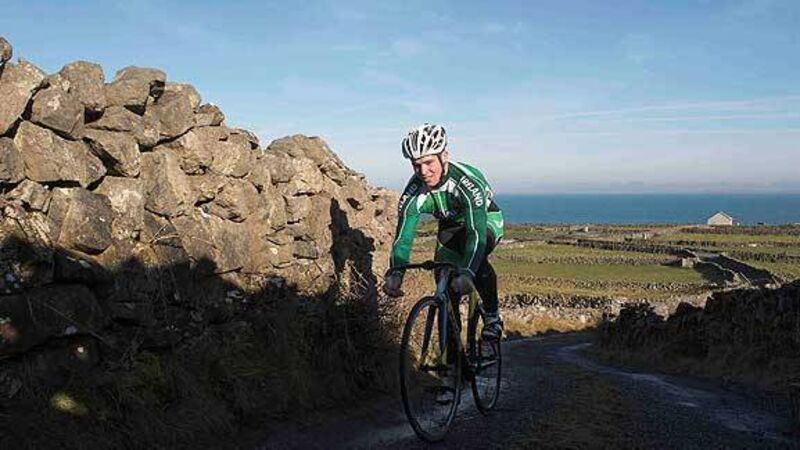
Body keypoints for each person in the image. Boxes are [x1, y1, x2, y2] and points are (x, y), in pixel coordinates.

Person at [382, 123, 505, 340]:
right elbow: (404, 237)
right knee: (444, 283)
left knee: (476, 258)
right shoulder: (413, 192)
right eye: (416, 165)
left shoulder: (466, 183)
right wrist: (396, 273)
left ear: (444, 156)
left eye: (429, 162)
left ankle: (493, 318)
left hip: (483, 221)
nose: (423, 172)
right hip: (450, 226)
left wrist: (467, 272)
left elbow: (475, 234)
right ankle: (452, 355)